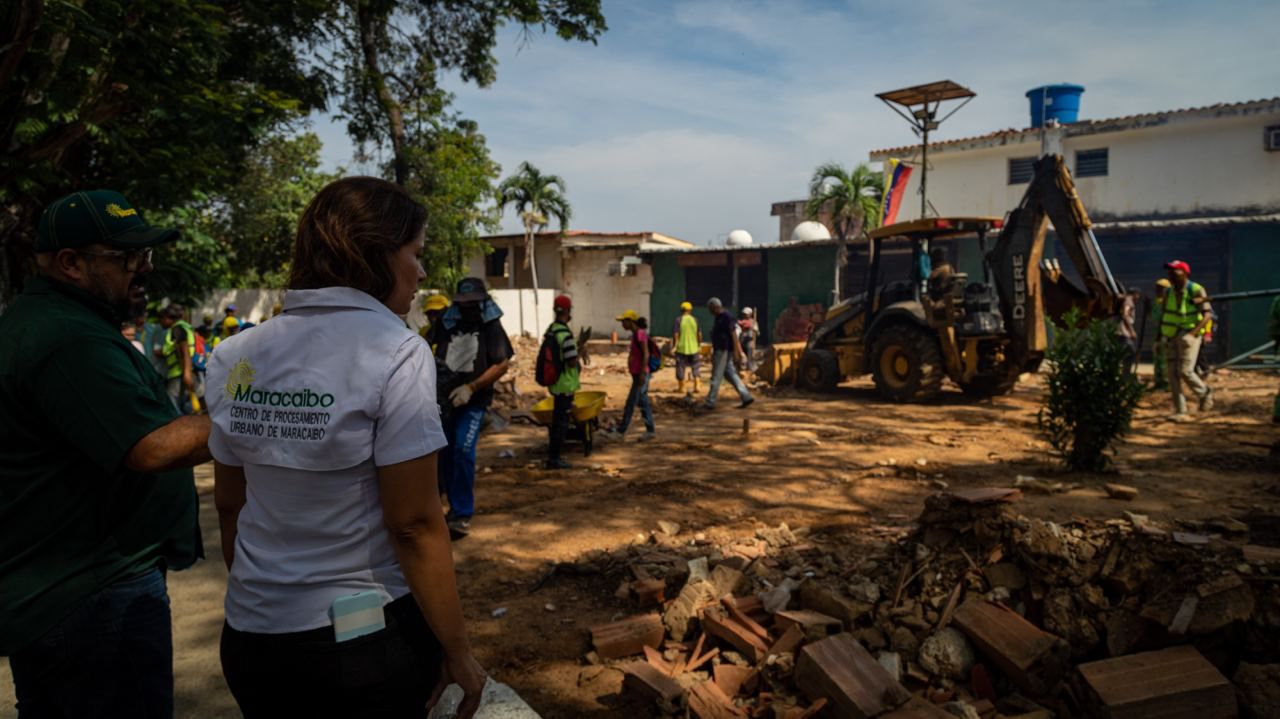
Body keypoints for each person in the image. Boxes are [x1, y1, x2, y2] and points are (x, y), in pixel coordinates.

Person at [206, 177, 485, 718]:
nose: (423, 272)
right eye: (416, 253)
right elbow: (413, 525)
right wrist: (458, 651)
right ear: (375, 252)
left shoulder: (236, 354)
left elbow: (229, 504)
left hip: (250, 639)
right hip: (360, 646)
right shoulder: (397, 351)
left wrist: (264, 600)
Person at [0, 189, 211, 718]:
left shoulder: (56, 322)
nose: (141, 271)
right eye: (125, 259)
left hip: (72, 590)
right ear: (70, 263)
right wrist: (266, 413)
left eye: (144, 257)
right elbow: (151, 447)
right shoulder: (66, 337)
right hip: (90, 594)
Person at [427, 277, 513, 538]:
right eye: (463, 303)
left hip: (473, 401)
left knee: (463, 449)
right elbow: (428, 350)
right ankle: (439, 508)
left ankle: (462, 513)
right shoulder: (446, 322)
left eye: (473, 303)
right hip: (443, 400)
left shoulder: (491, 326)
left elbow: (501, 363)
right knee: (441, 453)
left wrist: (471, 388)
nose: (468, 308)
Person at [1159, 260, 1214, 418]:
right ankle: (1180, 411)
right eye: (1169, 272)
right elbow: (1163, 316)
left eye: (1175, 272)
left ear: (1185, 274)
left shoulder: (1196, 289)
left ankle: (1204, 393)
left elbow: (1207, 315)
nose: (1171, 276)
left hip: (1189, 335)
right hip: (1170, 335)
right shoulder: (1167, 292)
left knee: (1185, 371)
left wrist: (1192, 334)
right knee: (1172, 375)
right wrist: (1158, 338)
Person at [607, 310, 656, 441]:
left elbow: (646, 354)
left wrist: (641, 374)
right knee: (642, 401)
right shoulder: (635, 335)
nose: (622, 324)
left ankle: (621, 431)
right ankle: (650, 430)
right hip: (638, 374)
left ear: (631, 321)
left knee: (631, 402)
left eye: (624, 321)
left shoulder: (640, 334)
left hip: (641, 374)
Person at [544, 295, 581, 468]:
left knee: (557, 420)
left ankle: (554, 455)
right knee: (561, 423)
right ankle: (555, 458)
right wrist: (579, 351)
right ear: (567, 311)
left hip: (555, 383)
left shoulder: (551, 330)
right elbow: (571, 361)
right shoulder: (565, 335)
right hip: (565, 383)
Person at [702, 298, 754, 410]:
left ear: (714, 307)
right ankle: (746, 396)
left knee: (716, 375)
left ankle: (710, 401)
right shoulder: (719, 317)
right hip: (722, 349)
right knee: (729, 374)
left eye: (710, 309)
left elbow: (733, 334)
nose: (710, 312)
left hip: (723, 350)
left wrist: (737, 351)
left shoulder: (726, 317)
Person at [156, 303, 195, 414]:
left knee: (173, 408)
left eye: (161, 319)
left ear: (168, 318)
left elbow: (184, 350)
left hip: (178, 374)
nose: (160, 323)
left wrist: (186, 374)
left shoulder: (177, 329)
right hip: (180, 372)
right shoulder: (184, 327)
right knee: (183, 407)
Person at [672, 301, 702, 398]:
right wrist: (699, 344)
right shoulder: (695, 320)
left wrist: (675, 345)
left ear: (682, 310)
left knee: (680, 366)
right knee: (696, 366)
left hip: (682, 347)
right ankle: (697, 385)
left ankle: (682, 387)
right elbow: (699, 334)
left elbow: (676, 334)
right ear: (690, 310)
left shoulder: (678, 320)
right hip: (694, 348)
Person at [1151, 279, 1171, 390]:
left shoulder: (1168, 302)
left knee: (1164, 359)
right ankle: (1157, 382)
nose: (1157, 290)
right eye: (1157, 287)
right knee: (1156, 358)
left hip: (1165, 334)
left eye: (1161, 288)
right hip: (1156, 334)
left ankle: (1166, 383)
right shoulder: (1155, 301)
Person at [1116, 288, 1140, 374]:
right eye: (1138, 295)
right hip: (1123, 333)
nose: (1138, 298)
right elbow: (1125, 315)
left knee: (1125, 353)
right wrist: (1132, 331)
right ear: (1135, 294)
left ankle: (1125, 375)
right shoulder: (1129, 301)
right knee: (1130, 353)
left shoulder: (1126, 300)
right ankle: (1125, 376)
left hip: (1122, 333)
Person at [738, 307, 759, 373]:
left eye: (746, 314)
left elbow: (757, 332)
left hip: (749, 342)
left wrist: (753, 328)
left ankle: (750, 370)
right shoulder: (741, 321)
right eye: (744, 314)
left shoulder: (753, 322)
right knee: (742, 357)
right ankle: (741, 369)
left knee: (750, 357)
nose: (745, 315)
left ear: (750, 314)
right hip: (742, 341)